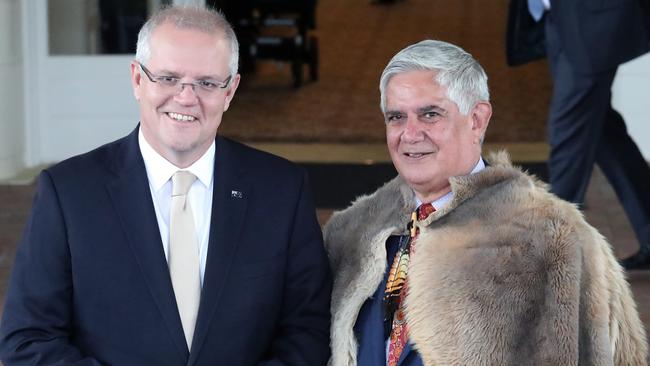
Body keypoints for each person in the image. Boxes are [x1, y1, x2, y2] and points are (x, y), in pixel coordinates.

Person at [0, 5, 331, 366]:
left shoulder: (282, 189)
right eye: (168, 78)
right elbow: (27, 339)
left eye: (207, 83)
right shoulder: (68, 193)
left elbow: (308, 328)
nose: (186, 98)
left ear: (230, 90)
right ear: (138, 80)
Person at [324, 40, 647, 366]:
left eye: (430, 114)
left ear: (477, 119)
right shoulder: (352, 233)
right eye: (396, 117)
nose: (409, 134)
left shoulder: (554, 242)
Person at [539, 0, 650, 269]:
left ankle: (549, 257)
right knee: (599, 130)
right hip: (558, 17)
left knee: (569, 133)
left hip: (592, 18)